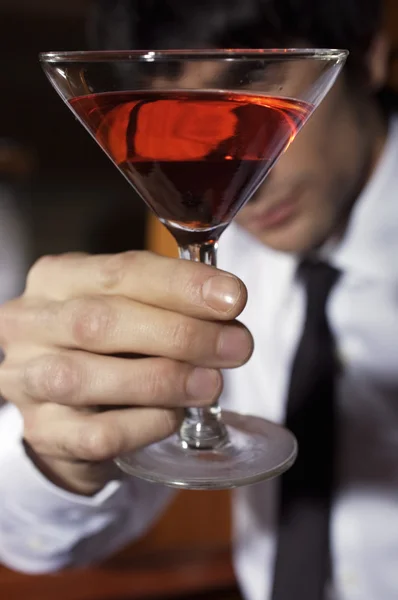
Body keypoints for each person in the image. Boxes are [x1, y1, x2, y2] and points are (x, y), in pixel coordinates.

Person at [0, 0, 397, 598]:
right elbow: (34, 541)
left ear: (370, 56)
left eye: (251, 83)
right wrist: (64, 455)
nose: (224, 155)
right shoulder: (216, 250)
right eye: (178, 111)